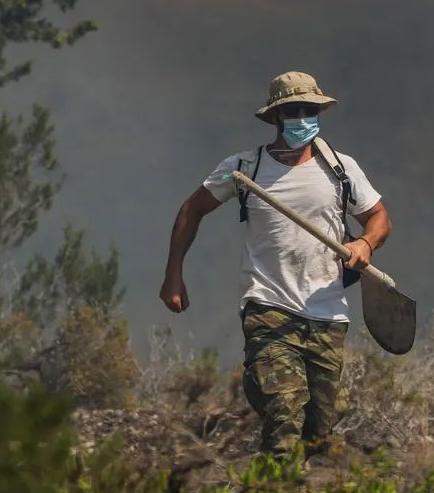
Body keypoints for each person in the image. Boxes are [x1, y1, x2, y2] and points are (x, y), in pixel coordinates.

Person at [161, 71, 392, 457]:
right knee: (284, 415)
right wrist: (173, 275)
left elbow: (379, 217)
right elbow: (192, 209)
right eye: (292, 111)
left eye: (309, 109)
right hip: (267, 307)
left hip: (327, 313)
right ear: (275, 118)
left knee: (317, 434)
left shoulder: (341, 169)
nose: (302, 118)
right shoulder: (244, 169)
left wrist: (365, 244)